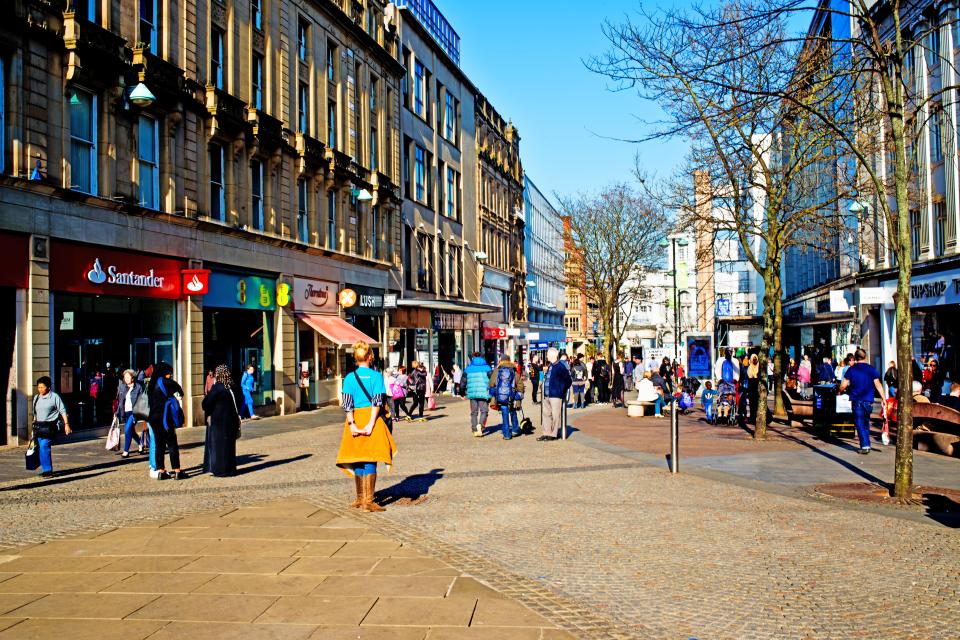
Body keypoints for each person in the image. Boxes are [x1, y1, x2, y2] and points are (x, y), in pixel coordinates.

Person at [335, 341, 397, 512]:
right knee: (371, 457)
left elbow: (347, 404)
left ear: (356, 358)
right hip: (372, 418)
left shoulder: (349, 378)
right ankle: (368, 502)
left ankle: (360, 498)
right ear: (370, 356)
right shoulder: (376, 377)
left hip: (354, 418)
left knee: (358, 457)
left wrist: (352, 424)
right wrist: (370, 424)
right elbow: (377, 402)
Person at [839, 349, 887, 454]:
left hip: (857, 400)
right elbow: (878, 384)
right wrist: (884, 398)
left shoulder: (851, 370)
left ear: (855, 358)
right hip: (868, 400)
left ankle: (865, 445)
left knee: (859, 423)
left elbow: (844, 385)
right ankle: (866, 443)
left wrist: (839, 391)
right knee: (866, 422)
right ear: (865, 357)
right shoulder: (871, 369)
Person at [146, 362, 186, 479]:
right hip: (165, 418)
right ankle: (177, 471)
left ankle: (161, 471)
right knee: (172, 443)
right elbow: (180, 392)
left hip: (153, 418)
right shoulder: (166, 382)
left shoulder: (152, 383)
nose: (170, 376)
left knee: (159, 445)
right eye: (169, 373)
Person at [202, 365, 240, 477]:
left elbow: (206, 403)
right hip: (231, 421)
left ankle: (220, 470)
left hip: (218, 422)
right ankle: (230, 469)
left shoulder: (218, 387)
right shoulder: (231, 386)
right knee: (229, 447)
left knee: (218, 447)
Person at [32, 376, 72, 477]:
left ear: (48, 387)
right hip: (39, 427)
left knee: (44, 445)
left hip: (50, 427)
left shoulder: (54, 397)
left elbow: (62, 410)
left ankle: (47, 470)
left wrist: (66, 425)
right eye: (39, 387)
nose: (40, 389)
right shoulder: (36, 398)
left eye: (42, 387)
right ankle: (45, 468)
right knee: (41, 447)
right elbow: (35, 414)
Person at [538, 348, 572, 441]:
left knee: (555, 415)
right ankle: (546, 433)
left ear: (553, 355)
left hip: (556, 395)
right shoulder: (550, 366)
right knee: (546, 414)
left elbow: (568, 380)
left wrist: (562, 389)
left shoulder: (560, 366)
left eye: (548, 354)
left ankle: (553, 434)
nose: (547, 356)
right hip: (547, 394)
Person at [490, 355, 522, 439]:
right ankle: (515, 429)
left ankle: (507, 434)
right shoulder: (513, 370)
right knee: (513, 411)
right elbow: (519, 384)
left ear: (501, 360)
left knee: (504, 413)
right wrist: (519, 395)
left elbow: (491, 383)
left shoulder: (497, 370)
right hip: (511, 395)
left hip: (501, 396)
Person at [114, 369, 144, 458]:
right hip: (125, 412)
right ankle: (140, 443)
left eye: (128, 377)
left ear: (132, 378)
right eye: (125, 377)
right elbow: (120, 402)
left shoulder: (138, 387)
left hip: (134, 413)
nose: (126, 379)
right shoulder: (122, 387)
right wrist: (116, 413)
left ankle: (126, 451)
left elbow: (141, 401)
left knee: (127, 430)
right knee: (131, 430)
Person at [464, 353, 493, 437]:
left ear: (473, 358)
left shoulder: (468, 368)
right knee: (484, 411)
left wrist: (462, 392)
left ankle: (474, 429)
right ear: (482, 357)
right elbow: (492, 379)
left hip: (472, 394)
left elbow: (463, 381)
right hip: (483, 393)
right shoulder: (487, 368)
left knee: (474, 412)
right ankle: (480, 425)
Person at [747, 354, 761, 423]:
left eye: (756, 359)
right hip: (752, 386)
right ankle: (752, 418)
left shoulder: (759, 367)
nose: (755, 360)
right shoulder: (750, 367)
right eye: (753, 359)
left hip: (758, 386)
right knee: (752, 403)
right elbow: (750, 376)